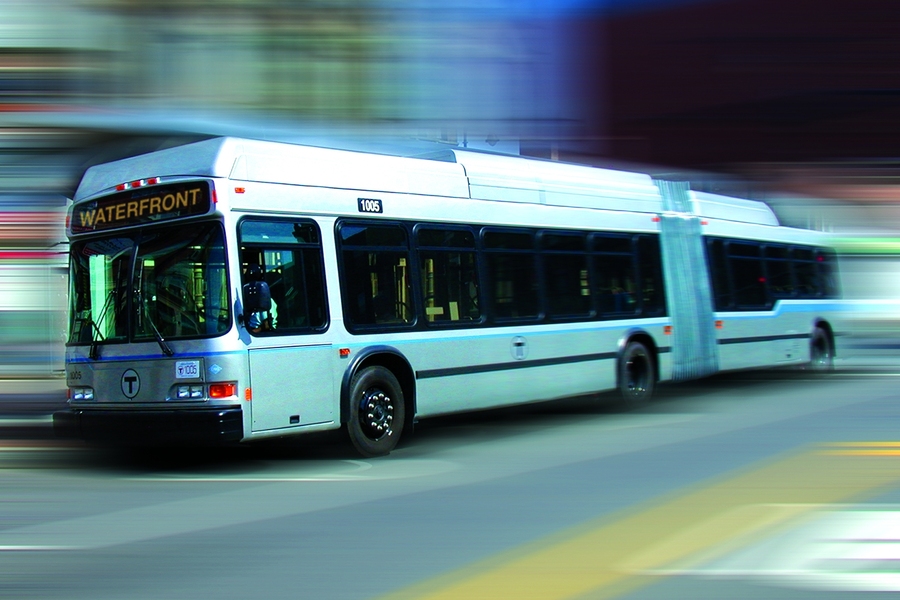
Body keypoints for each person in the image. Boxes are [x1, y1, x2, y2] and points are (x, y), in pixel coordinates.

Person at [245, 264, 278, 332]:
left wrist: (252, 331)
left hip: (259, 335)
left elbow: (267, 325)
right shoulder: (247, 300)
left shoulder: (265, 300)